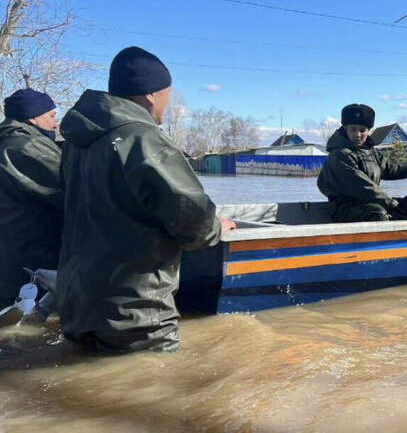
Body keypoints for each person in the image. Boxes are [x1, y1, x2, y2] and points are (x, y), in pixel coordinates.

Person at [57, 46, 235, 353]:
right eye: (168, 94)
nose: (167, 103)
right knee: (154, 379)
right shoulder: (142, 139)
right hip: (134, 312)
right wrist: (216, 225)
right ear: (152, 95)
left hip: (77, 303)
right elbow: (194, 224)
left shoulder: (78, 142)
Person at [0, 88, 62, 306]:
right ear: (33, 117)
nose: (55, 124)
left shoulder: (6, 142)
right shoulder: (25, 146)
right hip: (33, 261)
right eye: (51, 116)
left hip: (11, 260)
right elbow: (74, 190)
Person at [317, 103, 407, 222]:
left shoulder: (370, 151)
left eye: (362, 130)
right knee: (378, 213)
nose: (357, 135)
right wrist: (393, 205)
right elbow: (363, 186)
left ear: (368, 131)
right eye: (353, 129)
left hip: (369, 202)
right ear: (345, 128)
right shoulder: (339, 155)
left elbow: (389, 169)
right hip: (344, 208)